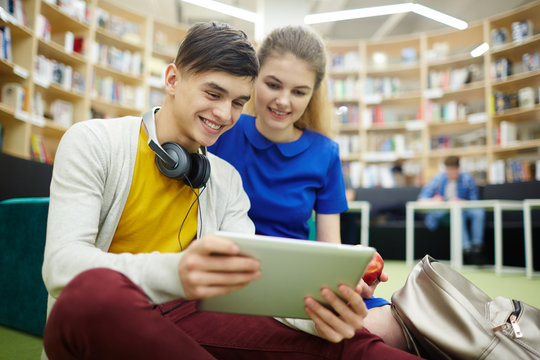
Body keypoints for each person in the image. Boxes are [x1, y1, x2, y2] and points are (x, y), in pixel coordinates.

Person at [41, 22, 422, 360]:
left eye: (238, 102)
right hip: (110, 310)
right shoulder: (92, 141)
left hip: (191, 314)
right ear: (172, 80)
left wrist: (319, 309)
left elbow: (252, 279)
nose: (224, 115)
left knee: (349, 345)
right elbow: (61, 265)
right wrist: (178, 272)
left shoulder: (224, 179)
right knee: (91, 294)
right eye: (213, 93)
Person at [209, 25, 407, 351]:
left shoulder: (325, 153)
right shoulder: (223, 129)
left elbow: (331, 247)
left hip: (300, 289)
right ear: (254, 78)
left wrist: (351, 277)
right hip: (231, 282)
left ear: (313, 94)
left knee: (391, 328)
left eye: (299, 92)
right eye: (273, 84)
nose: (283, 101)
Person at [418, 155, 486, 264]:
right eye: (449, 170)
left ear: (459, 169)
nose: (451, 173)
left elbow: (475, 202)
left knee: (478, 212)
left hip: (464, 210)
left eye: (454, 170)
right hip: (444, 214)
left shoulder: (467, 179)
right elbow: (422, 199)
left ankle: (477, 247)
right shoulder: (438, 179)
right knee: (457, 215)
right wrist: (435, 199)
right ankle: (467, 250)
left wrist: (461, 201)